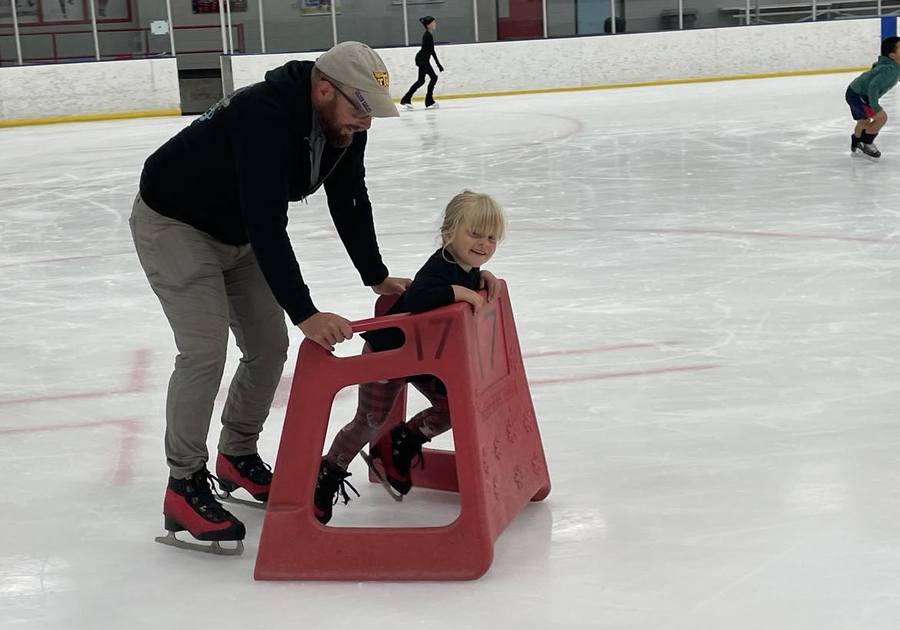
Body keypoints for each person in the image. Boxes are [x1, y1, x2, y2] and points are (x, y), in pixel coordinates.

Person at [131, 41, 411, 554]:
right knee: (204, 350)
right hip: (175, 225)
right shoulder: (263, 114)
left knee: (267, 345)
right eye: (358, 108)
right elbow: (267, 221)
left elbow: (349, 196)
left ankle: (236, 455)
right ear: (323, 89)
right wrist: (304, 311)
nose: (365, 122)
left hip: (236, 231)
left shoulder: (344, 123)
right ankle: (184, 484)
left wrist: (376, 275)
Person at [313, 191, 506, 524]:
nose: (484, 244)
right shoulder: (440, 267)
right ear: (448, 233)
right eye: (474, 234)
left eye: (491, 238)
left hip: (424, 358)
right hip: (388, 354)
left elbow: (466, 279)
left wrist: (483, 278)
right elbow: (420, 296)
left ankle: (400, 441)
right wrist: (462, 293)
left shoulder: (466, 266)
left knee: (455, 407)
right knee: (369, 421)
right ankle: (329, 470)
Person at [846, 36, 900, 160]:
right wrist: (875, 107)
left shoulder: (893, 66)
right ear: (892, 55)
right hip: (860, 95)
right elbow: (873, 86)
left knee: (864, 121)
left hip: (853, 91)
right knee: (881, 118)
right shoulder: (889, 69)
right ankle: (867, 143)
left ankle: (857, 141)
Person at [399, 16, 444, 111]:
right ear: (428, 25)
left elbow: (430, 51)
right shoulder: (428, 35)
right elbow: (432, 51)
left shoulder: (428, 34)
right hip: (422, 60)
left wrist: (437, 64)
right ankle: (429, 101)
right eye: (433, 22)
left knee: (421, 80)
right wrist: (438, 64)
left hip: (422, 59)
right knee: (433, 77)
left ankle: (406, 99)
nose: (435, 24)